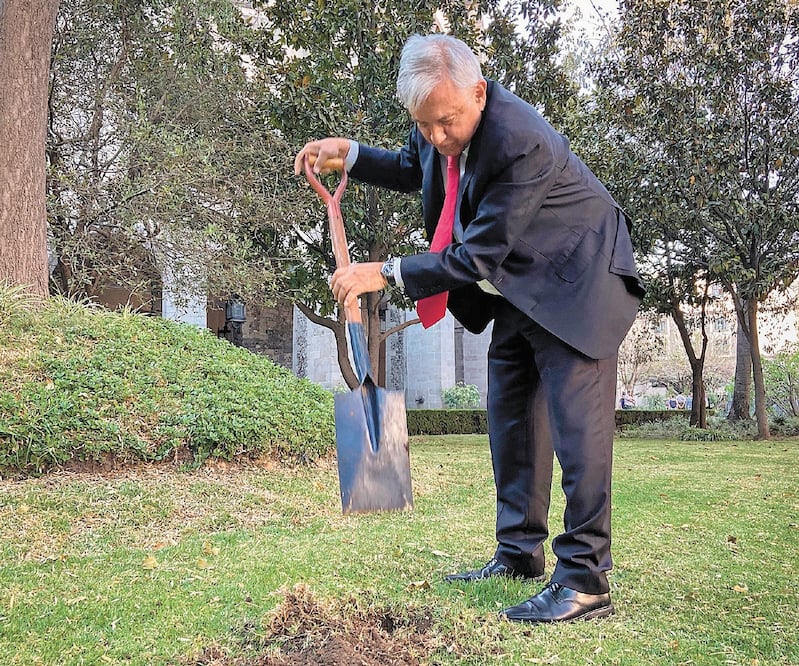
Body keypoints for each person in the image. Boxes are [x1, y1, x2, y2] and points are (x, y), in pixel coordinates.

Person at [294, 34, 644, 624]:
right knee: (511, 423)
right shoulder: (439, 117)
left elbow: (477, 254)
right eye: (424, 124)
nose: (436, 135)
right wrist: (348, 154)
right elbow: (414, 166)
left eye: (446, 122)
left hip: (577, 284)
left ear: (479, 93)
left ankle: (585, 579)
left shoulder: (522, 140)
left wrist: (385, 271)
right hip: (520, 290)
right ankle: (518, 553)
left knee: (578, 436)